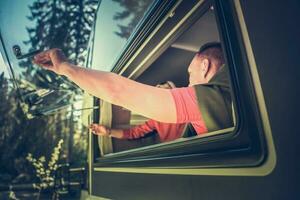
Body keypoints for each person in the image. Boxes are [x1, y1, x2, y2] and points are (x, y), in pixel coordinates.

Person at [33, 42, 233, 137]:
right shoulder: (232, 96)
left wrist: (65, 68)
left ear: (205, 66)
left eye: (190, 73)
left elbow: (117, 91)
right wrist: (109, 131)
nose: (189, 82)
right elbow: (135, 132)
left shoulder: (205, 99)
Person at [89, 81, 186, 142]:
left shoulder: (186, 106)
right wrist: (108, 132)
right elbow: (133, 133)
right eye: (158, 92)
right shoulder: (156, 119)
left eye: (165, 91)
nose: (160, 95)